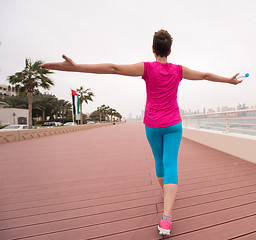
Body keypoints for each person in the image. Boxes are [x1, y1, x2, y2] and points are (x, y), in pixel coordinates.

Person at [40, 29, 242, 236]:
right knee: (171, 163)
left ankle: (166, 194)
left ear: (153, 49)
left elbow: (114, 68)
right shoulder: (179, 70)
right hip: (174, 124)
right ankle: (166, 219)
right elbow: (206, 75)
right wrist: (229, 80)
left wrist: (76, 67)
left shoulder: (146, 68)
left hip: (153, 125)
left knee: (159, 161)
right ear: (169, 51)